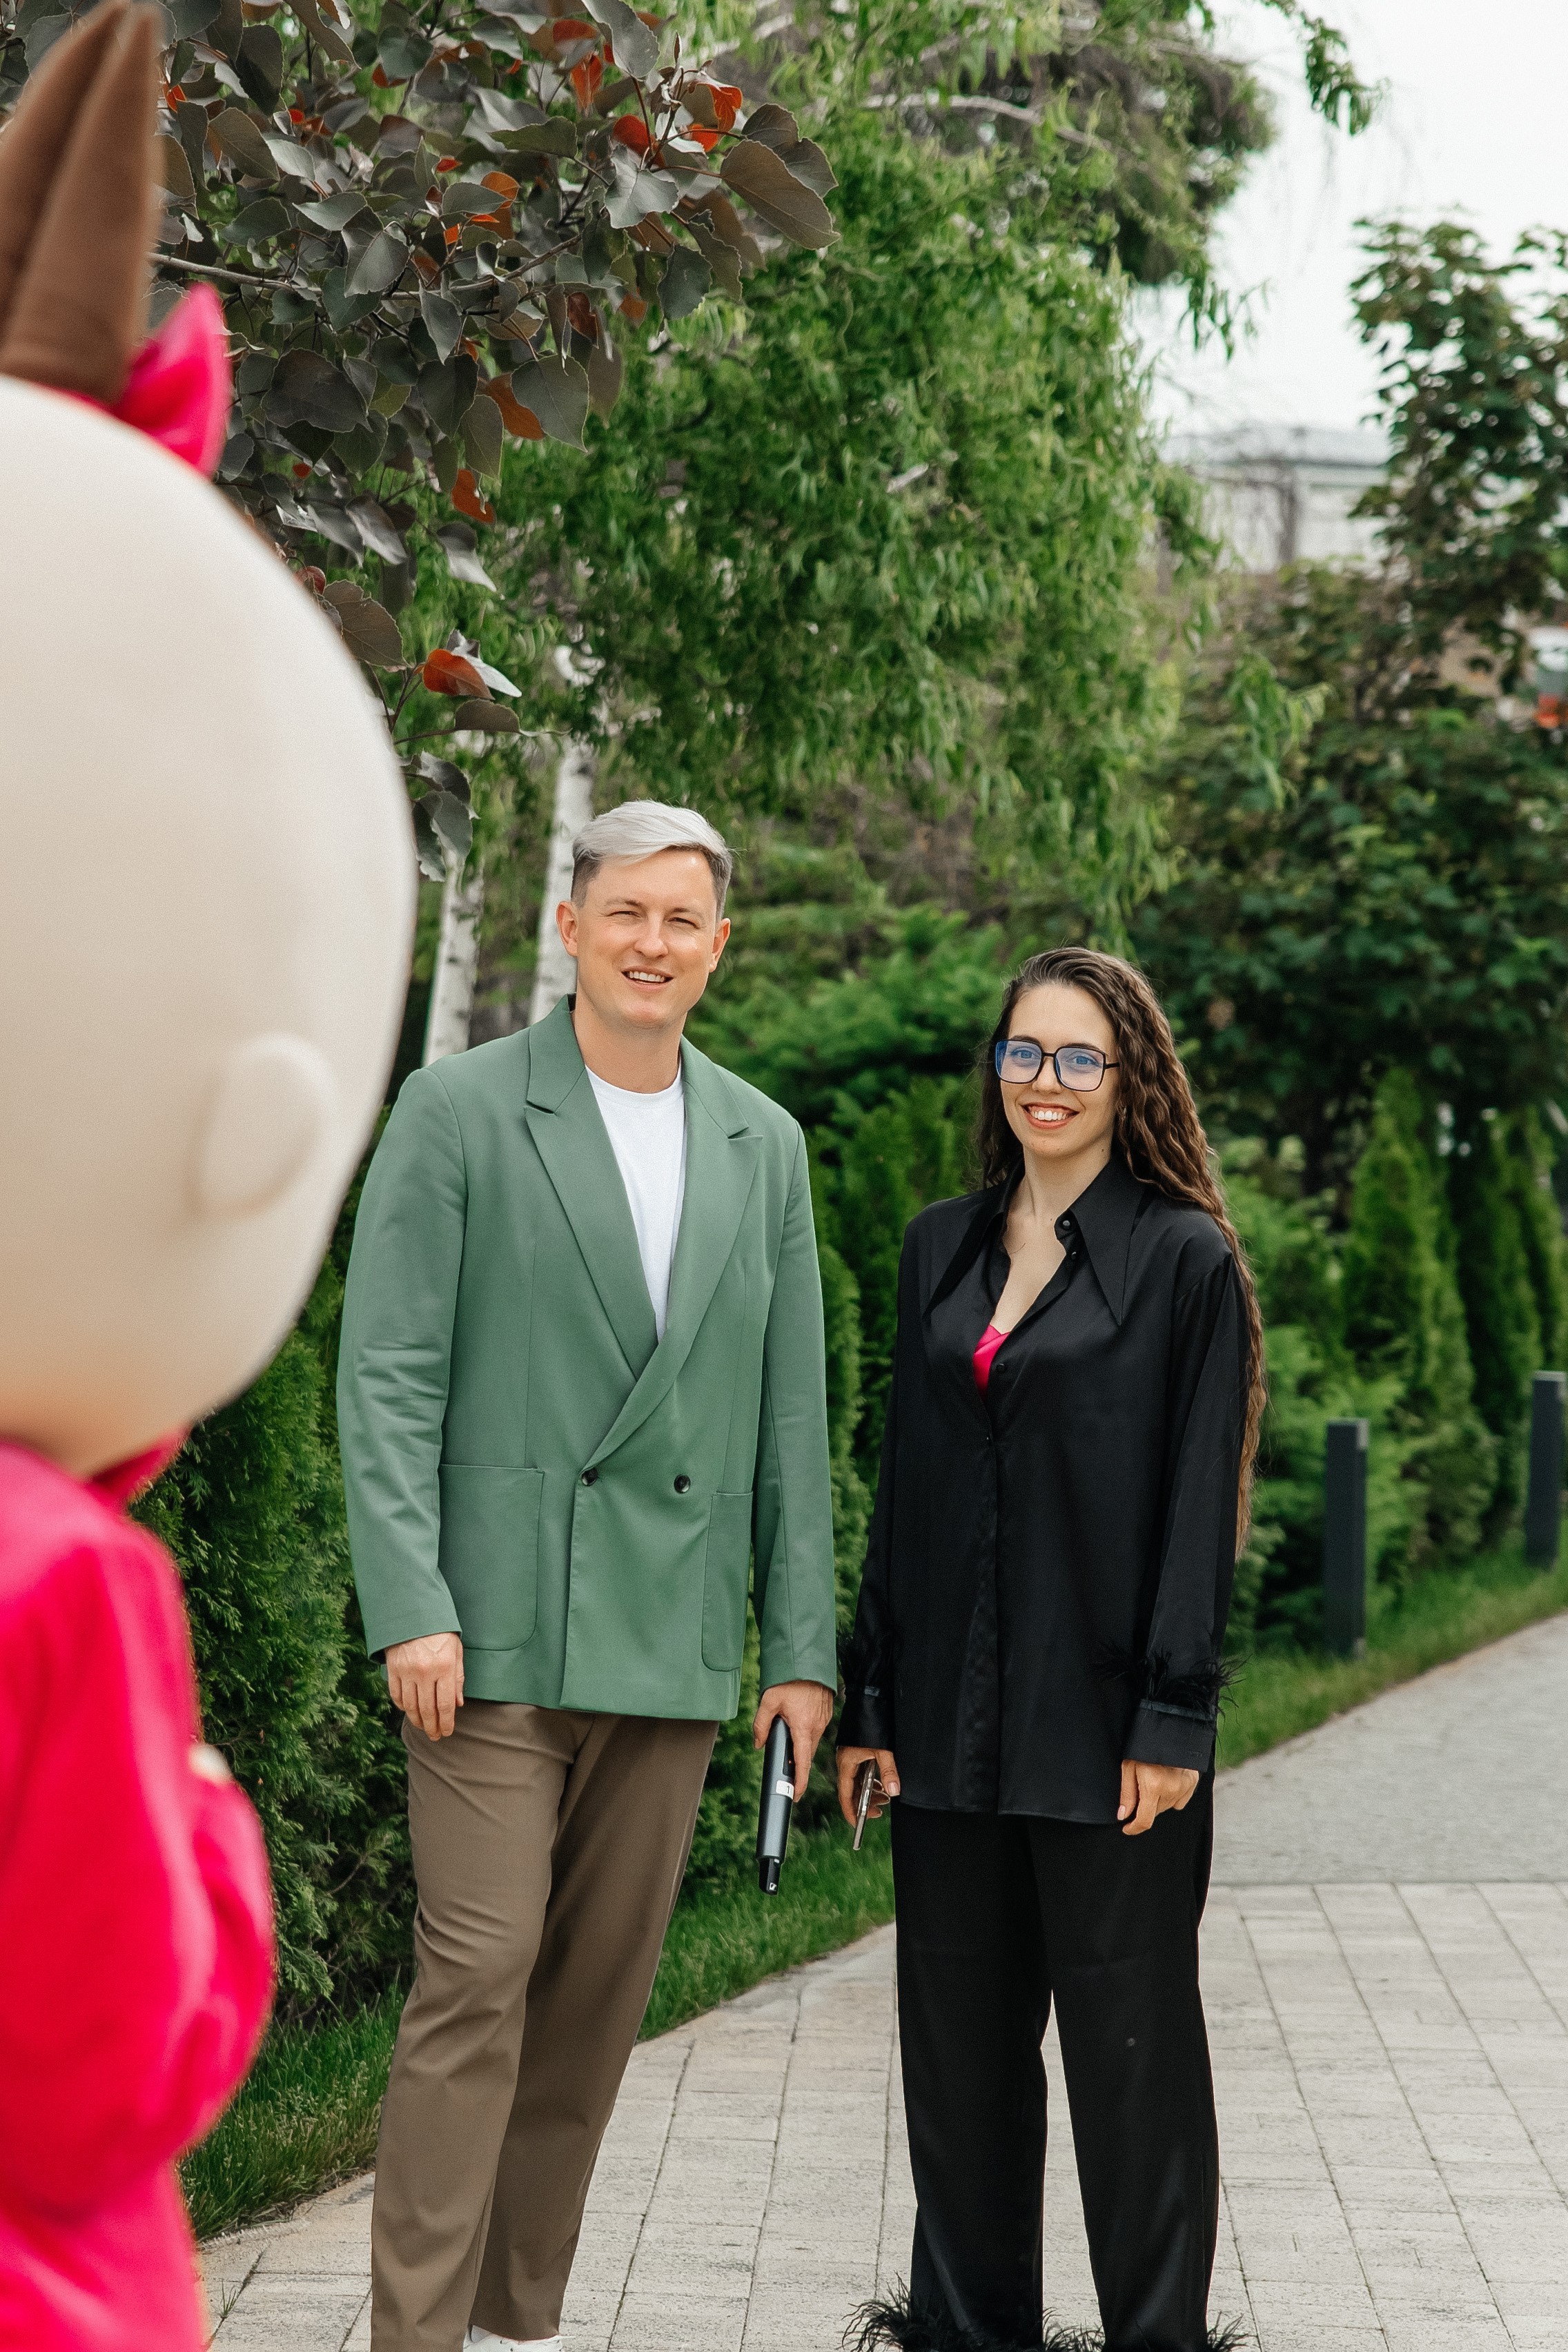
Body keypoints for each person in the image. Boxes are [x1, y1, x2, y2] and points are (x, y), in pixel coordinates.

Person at [338, 799, 839, 2352]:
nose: (652, 943)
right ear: (569, 927)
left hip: (672, 1632)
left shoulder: (765, 1141)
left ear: (718, 945)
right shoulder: (462, 1108)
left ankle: (508, 2310)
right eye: (624, 912)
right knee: (476, 1977)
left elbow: (788, 1416)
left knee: (596, 2000)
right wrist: (407, 1595)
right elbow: (389, 1372)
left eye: (682, 919)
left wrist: (799, 1650)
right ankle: (413, 2336)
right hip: (486, 1630)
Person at [838, 947, 1262, 2352]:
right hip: (945, 1736)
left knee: (1129, 2072)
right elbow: (903, 1488)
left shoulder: (1184, 1261)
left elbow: (1201, 1500)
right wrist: (871, 1698)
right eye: (1023, 1053)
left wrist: (1173, 1714)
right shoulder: (937, 1247)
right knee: (957, 2075)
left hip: (1106, 1738)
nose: (1045, 1083)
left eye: (1078, 1058)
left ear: (1128, 1073)